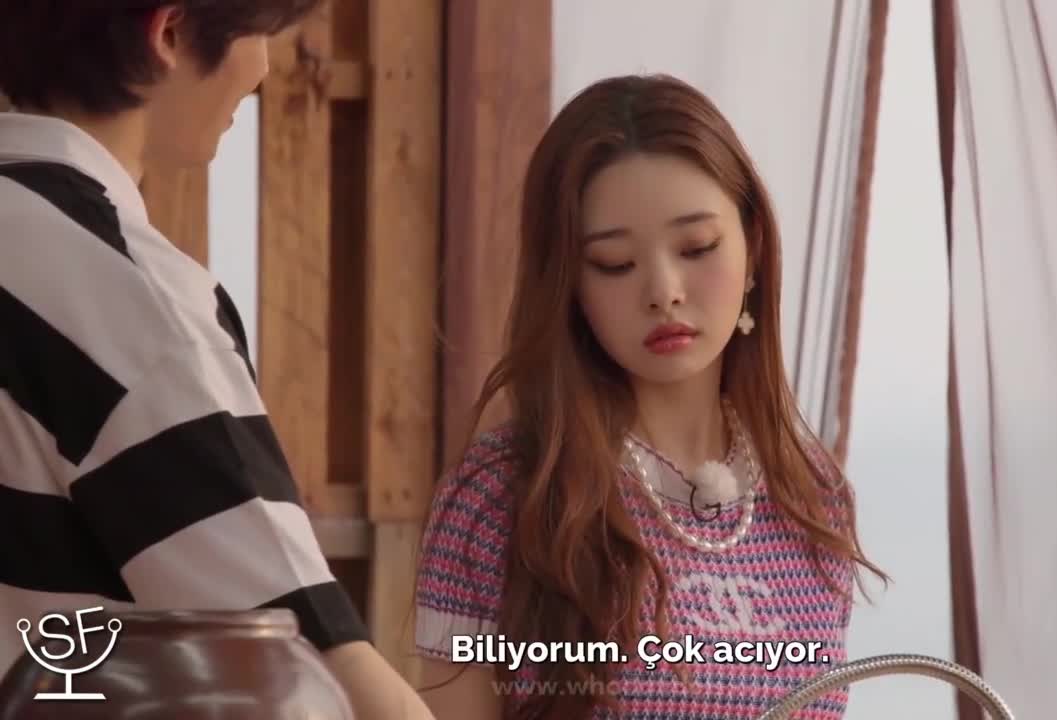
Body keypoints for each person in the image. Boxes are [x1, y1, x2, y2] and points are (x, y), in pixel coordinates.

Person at [0, 3, 435, 718]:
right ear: (169, 32)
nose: (262, 70)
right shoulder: (129, 300)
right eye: (257, 32)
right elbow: (315, 673)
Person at [413, 74, 887, 720]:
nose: (663, 291)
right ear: (569, 284)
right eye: (614, 262)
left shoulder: (813, 499)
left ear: (753, 247)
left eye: (696, 248)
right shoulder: (502, 496)